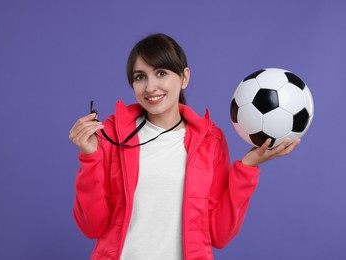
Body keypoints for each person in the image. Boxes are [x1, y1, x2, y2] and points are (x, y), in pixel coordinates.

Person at [69, 33, 300, 260]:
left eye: (161, 73)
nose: (150, 87)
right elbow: (91, 226)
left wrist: (247, 167)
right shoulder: (111, 136)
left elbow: (219, 235)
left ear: (184, 77)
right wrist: (89, 157)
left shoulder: (210, 140)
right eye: (140, 77)